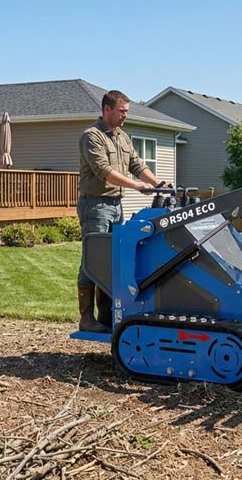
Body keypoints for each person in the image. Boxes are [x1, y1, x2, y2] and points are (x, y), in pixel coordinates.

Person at [76, 90, 160, 332]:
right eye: (122, 111)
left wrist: (157, 184)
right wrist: (137, 186)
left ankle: (106, 317)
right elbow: (103, 170)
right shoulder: (92, 136)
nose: (125, 115)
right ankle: (86, 319)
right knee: (93, 259)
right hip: (95, 205)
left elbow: (136, 164)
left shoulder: (122, 137)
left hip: (116, 205)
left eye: (127, 111)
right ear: (107, 109)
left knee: (112, 260)